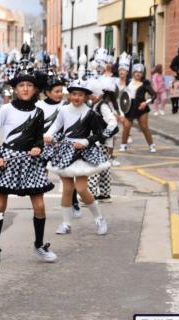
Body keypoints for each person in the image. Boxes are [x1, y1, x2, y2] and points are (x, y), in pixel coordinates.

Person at [0, 53, 57, 265]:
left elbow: (38, 137)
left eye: (29, 85)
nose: (25, 89)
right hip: (8, 159)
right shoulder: (5, 109)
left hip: (30, 162)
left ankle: (39, 245)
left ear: (35, 88)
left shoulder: (38, 113)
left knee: (39, 205)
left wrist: (38, 146)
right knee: (0, 206)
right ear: (15, 88)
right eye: (21, 85)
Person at [44, 78, 109, 236]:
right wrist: (49, 134)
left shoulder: (90, 113)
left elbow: (100, 135)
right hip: (65, 151)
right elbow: (56, 125)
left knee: (81, 189)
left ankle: (99, 219)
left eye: (80, 94)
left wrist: (86, 141)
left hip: (83, 152)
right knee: (67, 189)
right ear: (69, 95)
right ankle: (66, 223)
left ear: (86, 96)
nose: (77, 97)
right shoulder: (64, 110)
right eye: (74, 94)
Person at [88, 77, 120, 202]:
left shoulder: (102, 106)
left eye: (93, 94)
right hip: (104, 142)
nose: (91, 96)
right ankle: (105, 193)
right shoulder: (99, 104)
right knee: (104, 166)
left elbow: (113, 122)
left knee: (94, 166)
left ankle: (91, 194)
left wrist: (103, 136)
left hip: (101, 142)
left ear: (100, 93)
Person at [119, 62, 157, 153]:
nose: (138, 73)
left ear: (143, 74)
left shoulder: (145, 83)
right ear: (133, 72)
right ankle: (123, 145)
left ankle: (151, 145)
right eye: (136, 71)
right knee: (127, 126)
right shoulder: (128, 81)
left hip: (141, 107)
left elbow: (154, 95)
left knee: (144, 127)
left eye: (140, 72)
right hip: (129, 106)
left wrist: (146, 102)